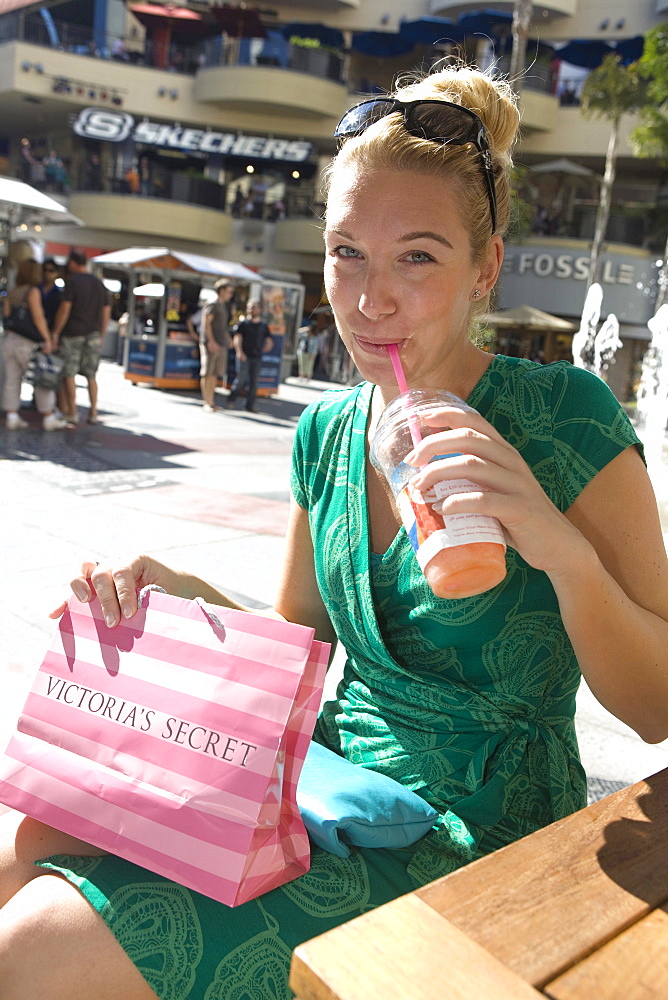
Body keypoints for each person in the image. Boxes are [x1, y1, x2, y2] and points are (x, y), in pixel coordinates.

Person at [2, 64, 668, 1000]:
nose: (369, 299)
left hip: (474, 825)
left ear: (486, 267)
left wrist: (558, 548)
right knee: (24, 845)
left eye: (418, 258)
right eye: (346, 251)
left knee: (31, 948)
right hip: (330, 783)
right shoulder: (325, 433)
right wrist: (175, 586)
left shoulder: (566, 415)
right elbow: (299, 649)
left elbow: (658, 710)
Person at [1, 258, 67, 431]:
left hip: (10, 340)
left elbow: (7, 317)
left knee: (12, 379)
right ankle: (48, 416)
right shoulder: (32, 292)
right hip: (28, 341)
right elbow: (38, 317)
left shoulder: (12, 291)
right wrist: (47, 339)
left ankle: (12, 415)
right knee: (41, 379)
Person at [51, 250, 111, 426]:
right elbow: (106, 312)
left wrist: (56, 332)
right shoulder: (99, 284)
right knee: (91, 374)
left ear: (72, 263)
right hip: (92, 334)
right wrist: (102, 334)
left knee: (69, 373)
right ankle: (93, 411)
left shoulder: (72, 282)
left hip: (72, 333)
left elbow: (65, 309)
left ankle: (72, 411)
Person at [226, 299, 273, 413]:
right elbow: (237, 338)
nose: (251, 309)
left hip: (257, 356)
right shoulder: (243, 323)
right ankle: (231, 400)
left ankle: (250, 405)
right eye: (249, 307)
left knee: (254, 382)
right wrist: (239, 351)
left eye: (254, 307)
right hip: (244, 356)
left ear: (259, 309)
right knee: (241, 380)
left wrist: (268, 346)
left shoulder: (263, 325)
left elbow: (268, 339)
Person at [199, 280, 234, 412]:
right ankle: (206, 402)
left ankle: (211, 401)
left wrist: (227, 338)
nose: (231, 295)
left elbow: (221, 326)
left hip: (220, 343)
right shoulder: (212, 304)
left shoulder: (223, 306)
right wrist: (211, 341)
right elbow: (206, 323)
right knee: (207, 372)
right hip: (211, 343)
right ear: (222, 290)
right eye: (229, 292)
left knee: (214, 374)